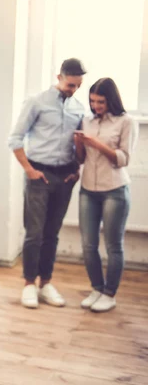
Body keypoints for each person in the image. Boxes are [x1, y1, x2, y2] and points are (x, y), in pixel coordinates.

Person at [8, 58, 87, 309]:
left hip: (65, 177)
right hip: (39, 175)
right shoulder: (36, 102)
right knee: (35, 233)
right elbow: (15, 139)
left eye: (77, 86)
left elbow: (78, 144)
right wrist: (29, 170)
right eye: (70, 84)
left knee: (52, 233)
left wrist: (76, 169)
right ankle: (29, 284)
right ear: (59, 77)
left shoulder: (78, 108)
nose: (73, 89)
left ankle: (46, 283)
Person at [74, 78, 138, 312]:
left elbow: (123, 159)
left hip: (115, 190)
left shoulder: (126, 121)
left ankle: (110, 293)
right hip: (88, 189)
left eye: (100, 101)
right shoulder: (86, 121)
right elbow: (81, 159)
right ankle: (97, 288)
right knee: (88, 244)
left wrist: (96, 143)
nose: (96, 105)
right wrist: (79, 144)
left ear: (111, 99)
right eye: (92, 101)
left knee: (113, 245)